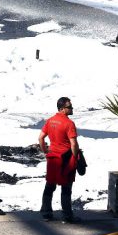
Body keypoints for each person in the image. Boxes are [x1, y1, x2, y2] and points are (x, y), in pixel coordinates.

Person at [39, 96, 81, 224]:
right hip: (65, 159)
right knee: (66, 187)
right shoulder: (69, 123)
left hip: (52, 159)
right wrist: (76, 157)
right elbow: (73, 144)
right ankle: (67, 216)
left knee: (50, 185)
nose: (72, 109)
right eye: (69, 107)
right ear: (62, 109)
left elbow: (41, 138)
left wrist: (45, 150)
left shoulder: (50, 121)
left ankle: (46, 213)